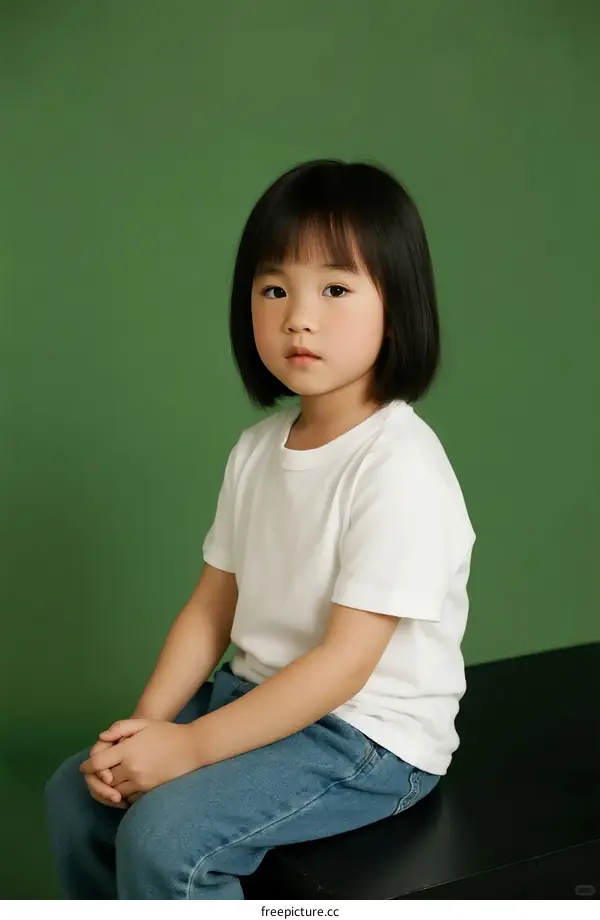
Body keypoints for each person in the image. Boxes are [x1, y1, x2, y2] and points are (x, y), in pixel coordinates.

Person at [45, 158, 477, 900]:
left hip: (367, 736)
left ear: (397, 307)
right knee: (77, 794)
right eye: (274, 288)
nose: (297, 318)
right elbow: (212, 606)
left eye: (335, 290)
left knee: (167, 839)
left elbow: (346, 665)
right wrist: (144, 730)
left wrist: (189, 748)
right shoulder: (257, 451)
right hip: (254, 696)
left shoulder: (398, 466)